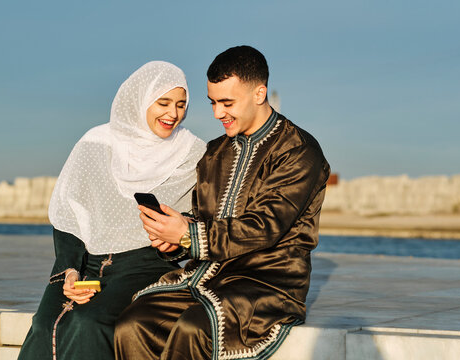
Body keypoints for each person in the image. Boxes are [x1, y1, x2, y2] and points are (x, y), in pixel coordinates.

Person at [114, 46, 330, 360]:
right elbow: (205, 216)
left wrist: (189, 235)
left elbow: (264, 227)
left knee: (193, 328)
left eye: (227, 102)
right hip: (207, 276)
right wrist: (175, 237)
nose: (218, 113)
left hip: (266, 285)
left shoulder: (298, 151)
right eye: (213, 102)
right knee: (133, 324)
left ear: (259, 93)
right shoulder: (215, 152)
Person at [18, 61, 206, 360]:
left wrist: (177, 241)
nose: (173, 113)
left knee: (89, 322)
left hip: (146, 266)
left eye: (181, 105)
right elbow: (70, 216)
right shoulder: (96, 143)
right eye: (163, 102)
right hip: (84, 265)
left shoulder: (193, 153)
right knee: (45, 326)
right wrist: (69, 271)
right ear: (139, 99)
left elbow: (198, 222)